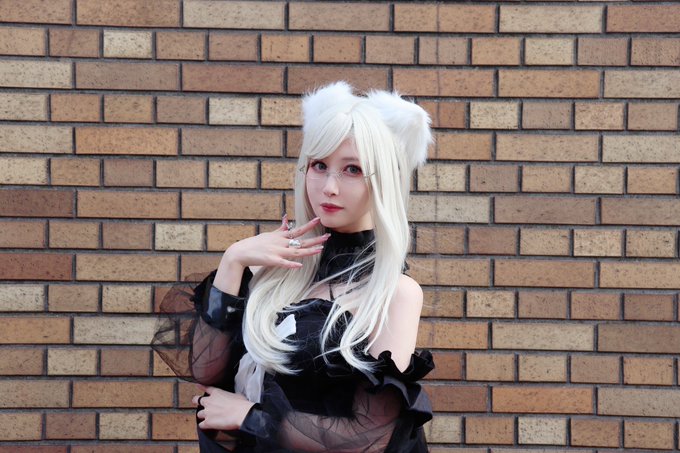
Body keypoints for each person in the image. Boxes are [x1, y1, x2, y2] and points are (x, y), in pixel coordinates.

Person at [153, 81, 435, 452]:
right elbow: (206, 370)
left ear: (384, 181)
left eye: (353, 169)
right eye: (319, 165)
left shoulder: (395, 293)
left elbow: (371, 438)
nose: (329, 187)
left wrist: (250, 417)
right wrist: (233, 261)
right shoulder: (272, 270)